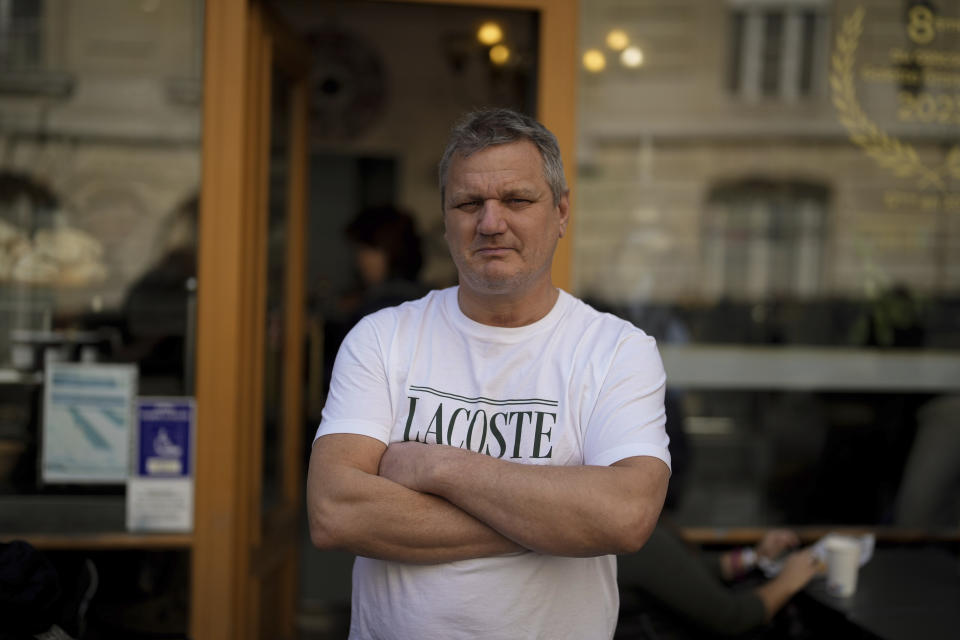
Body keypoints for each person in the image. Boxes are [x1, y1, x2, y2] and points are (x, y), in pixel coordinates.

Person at [306, 108, 671, 639]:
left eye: (517, 200)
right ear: (446, 216)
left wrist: (439, 468)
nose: (491, 222)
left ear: (562, 211)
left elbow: (625, 516)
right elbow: (336, 511)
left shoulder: (616, 351)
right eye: (469, 203)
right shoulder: (381, 338)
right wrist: (555, 521)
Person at [618, 525, 824, 638]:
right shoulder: (638, 540)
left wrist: (754, 557)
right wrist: (788, 581)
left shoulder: (609, 536)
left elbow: (680, 570)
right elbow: (733, 617)